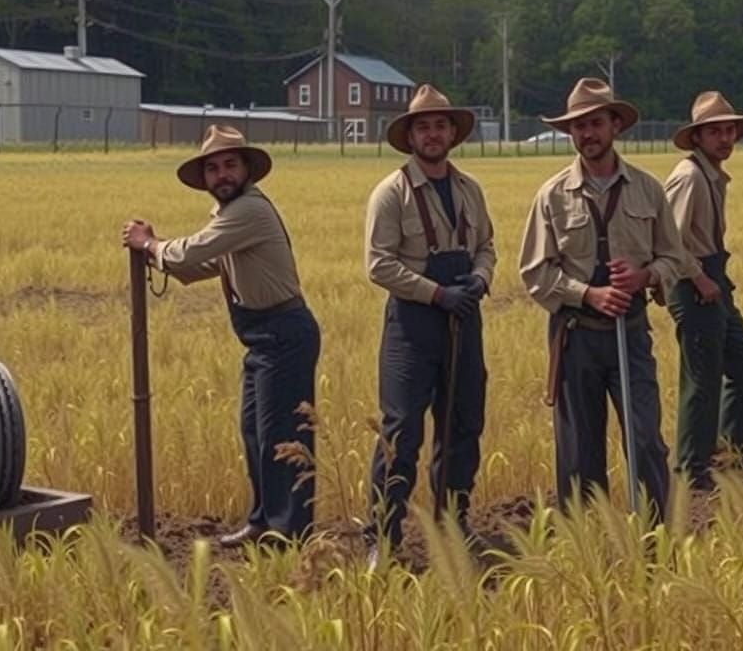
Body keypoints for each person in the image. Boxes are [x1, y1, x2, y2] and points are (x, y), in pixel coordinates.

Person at [121, 124, 320, 545]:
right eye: (213, 169)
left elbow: (190, 252)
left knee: (282, 436)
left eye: (230, 165)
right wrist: (157, 257)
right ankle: (262, 520)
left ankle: (290, 533)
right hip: (261, 338)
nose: (222, 175)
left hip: (283, 332)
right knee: (255, 432)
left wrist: (150, 245)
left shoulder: (249, 210)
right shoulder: (229, 216)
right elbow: (200, 267)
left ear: (246, 170)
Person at [519, 78, 686, 520]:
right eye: (577, 127)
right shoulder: (552, 195)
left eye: (595, 123)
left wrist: (644, 276)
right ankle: (586, 547)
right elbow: (535, 271)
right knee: (579, 455)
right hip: (577, 339)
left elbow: (675, 256)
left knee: (646, 439)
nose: (586, 134)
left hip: (630, 334)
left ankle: (657, 542)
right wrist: (588, 294)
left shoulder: (648, 189)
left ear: (615, 125)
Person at [364, 84, 496, 557]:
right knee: (400, 433)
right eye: (424, 126)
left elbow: (486, 246)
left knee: (463, 425)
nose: (433, 133)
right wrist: (437, 293)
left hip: (464, 319)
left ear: (452, 133)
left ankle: (454, 522)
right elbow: (378, 265)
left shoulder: (469, 190)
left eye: (441, 125)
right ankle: (382, 537)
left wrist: (480, 279)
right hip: (412, 326)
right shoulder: (391, 193)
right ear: (411, 135)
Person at [664, 91, 743, 490]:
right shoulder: (689, 177)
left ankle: (730, 451)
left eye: (729, 130)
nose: (726, 138)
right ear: (697, 137)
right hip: (695, 282)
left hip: (713, 279)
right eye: (715, 132)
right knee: (702, 377)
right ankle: (692, 468)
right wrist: (699, 278)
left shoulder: (710, 173)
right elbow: (669, 240)